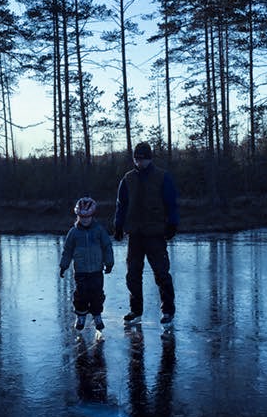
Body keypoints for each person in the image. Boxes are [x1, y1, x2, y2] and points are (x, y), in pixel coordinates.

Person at [113, 142, 178, 324]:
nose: (139, 162)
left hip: (155, 233)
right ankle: (135, 310)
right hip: (135, 234)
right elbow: (121, 205)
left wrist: (172, 223)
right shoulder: (128, 179)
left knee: (161, 273)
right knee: (133, 274)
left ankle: (168, 310)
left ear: (150, 159)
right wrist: (118, 225)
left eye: (142, 159)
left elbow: (171, 202)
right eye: (137, 159)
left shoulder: (162, 177)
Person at [60, 196, 114, 333]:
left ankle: (97, 316)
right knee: (81, 294)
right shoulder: (73, 232)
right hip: (81, 270)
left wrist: (109, 263)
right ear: (78, 216)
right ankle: (81, 316)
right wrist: (63, 266)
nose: (84, 220)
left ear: (92, 216)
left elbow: (107, 246)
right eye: (82, 217)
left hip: (96, 270)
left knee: (97, 294)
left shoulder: (99, 230)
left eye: (87, 217)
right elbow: (67, 250)